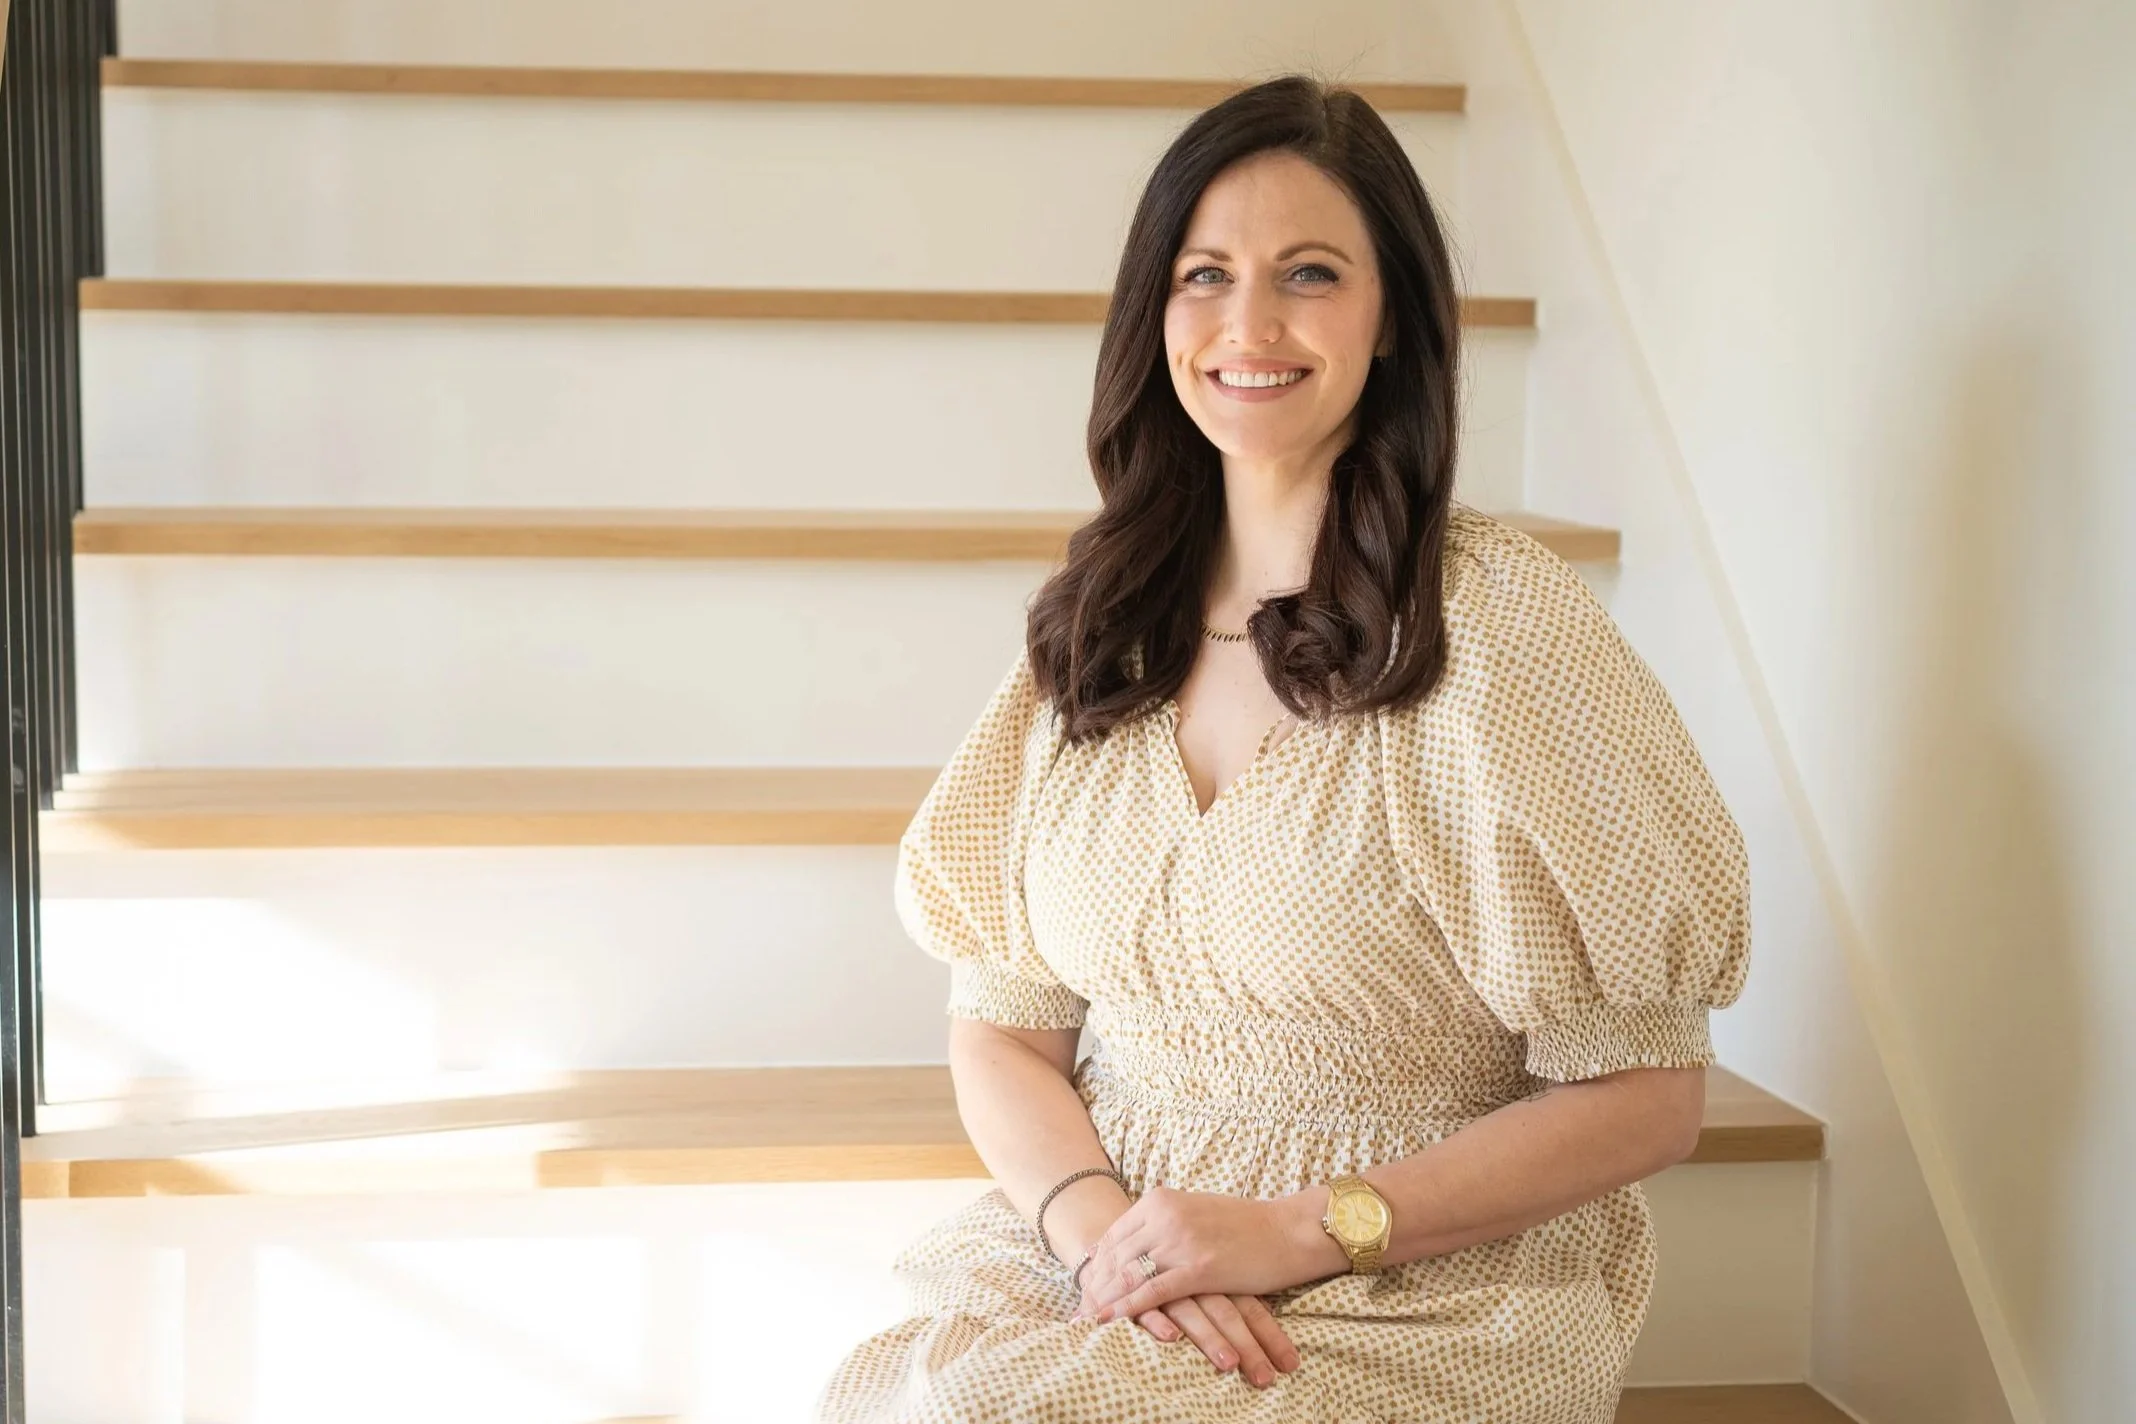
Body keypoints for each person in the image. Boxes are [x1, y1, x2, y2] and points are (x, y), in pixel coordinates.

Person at [815, 72, 1752, 1424]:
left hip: (1421, 1274)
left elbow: (1646, 1094)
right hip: (1102, 1247)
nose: (1249, 324)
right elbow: (1003, 1028)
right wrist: (1111, 1241)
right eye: (1206, 276)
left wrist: (1302, 1229)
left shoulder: (1503, 626)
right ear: (1157, 314)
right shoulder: (1099, 621)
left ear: (1390, 325)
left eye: (1309, 274)